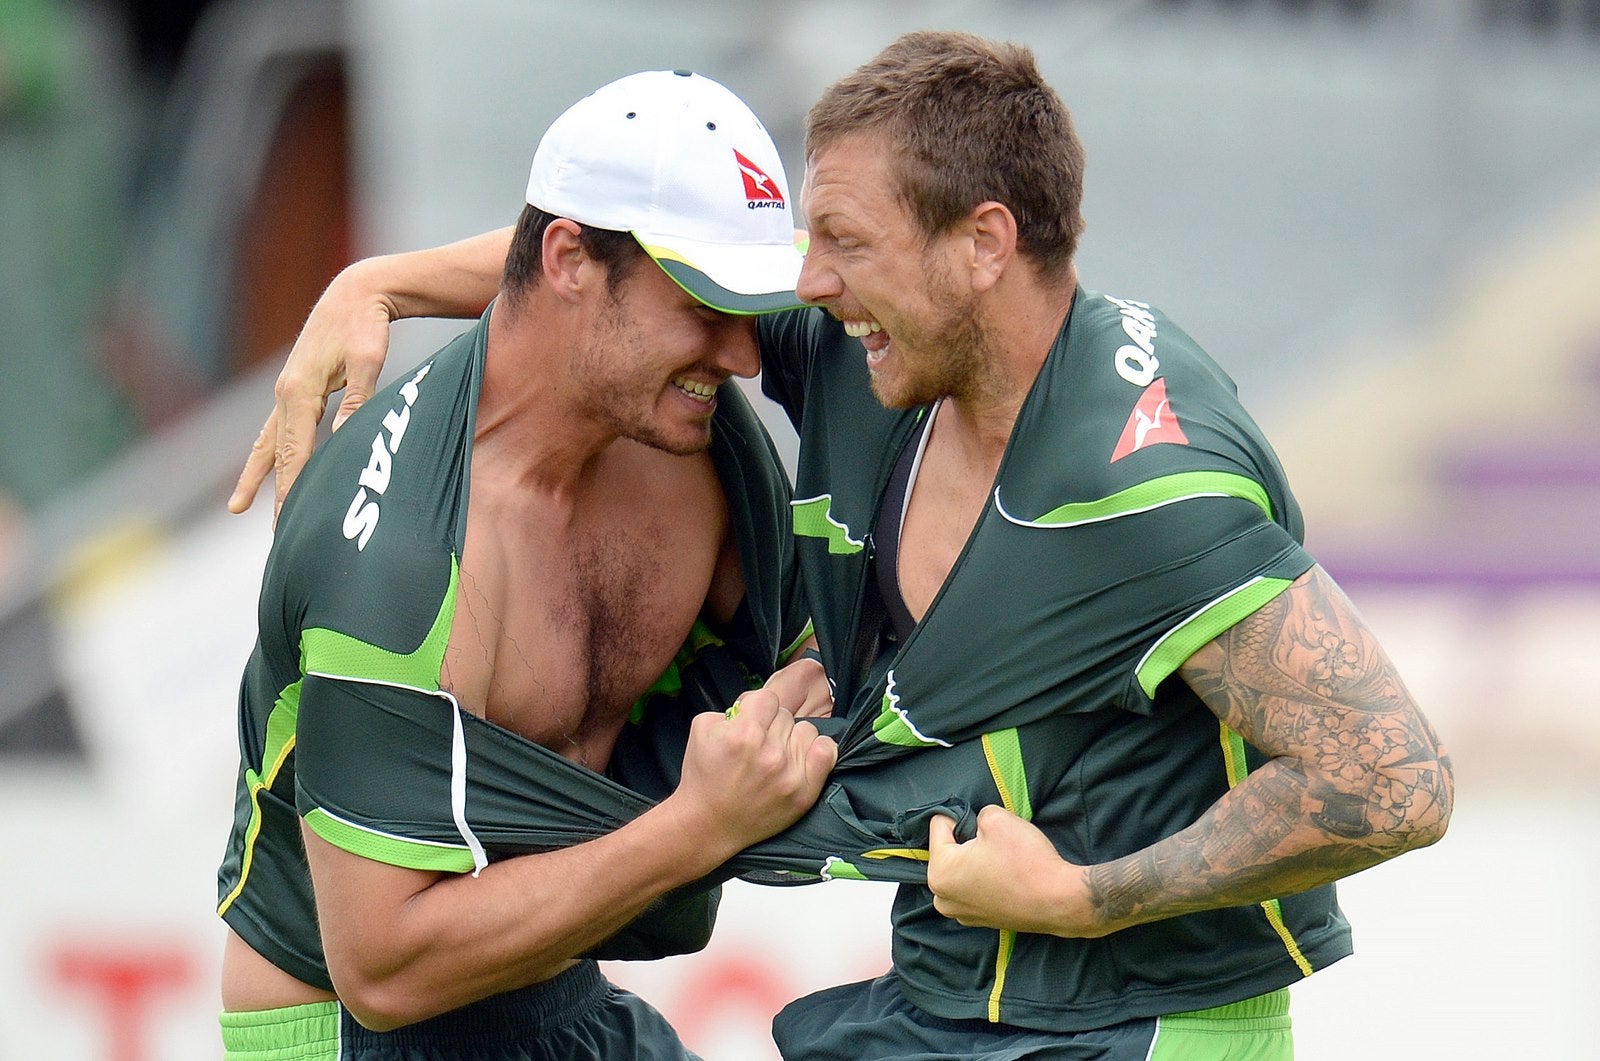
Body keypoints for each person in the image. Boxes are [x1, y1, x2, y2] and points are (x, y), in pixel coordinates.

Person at [231, 32, 1455, 1061]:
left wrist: (1080, 898)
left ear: (981, 244)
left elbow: (1392, 779)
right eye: (795, 252)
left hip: (1136, 1024)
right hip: (931, 1006)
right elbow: (596, 268)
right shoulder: (881, 361)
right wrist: (380, 282)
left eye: (843, 244)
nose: (804, 287)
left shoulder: (1141, 484)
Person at [214, 69, 838, 1060]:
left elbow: (817, 666)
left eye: (749, 301)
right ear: (569, 262)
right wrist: (694, 828)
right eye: (707, 299)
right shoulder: (397, 555)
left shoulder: (694, 441)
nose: (746, 354)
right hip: (352, 1026)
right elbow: (383, 968)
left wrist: (383, 279)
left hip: (561, 996)